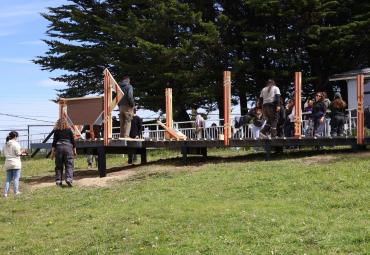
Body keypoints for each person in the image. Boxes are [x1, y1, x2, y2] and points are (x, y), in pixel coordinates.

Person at [50, 118, 77, 187]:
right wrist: (74, 151)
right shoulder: (69, 131)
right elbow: (73, 142)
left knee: (59, 165)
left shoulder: (56, 131)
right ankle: (68, 179)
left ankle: (58, 181)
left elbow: (54, 143)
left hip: (59, 148)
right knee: (69, 164)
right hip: (68, 148)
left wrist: (52, 154)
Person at [2, 131, 24, 197]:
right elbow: (18, 153)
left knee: (8, 178)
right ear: (15, 136)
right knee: (16, 178)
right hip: (15, 163)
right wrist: (22, 151)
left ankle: (5, 193)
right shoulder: (16, 144)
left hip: (8, 162)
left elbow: (3, 153)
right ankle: (16, 191)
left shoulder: (5, 144)